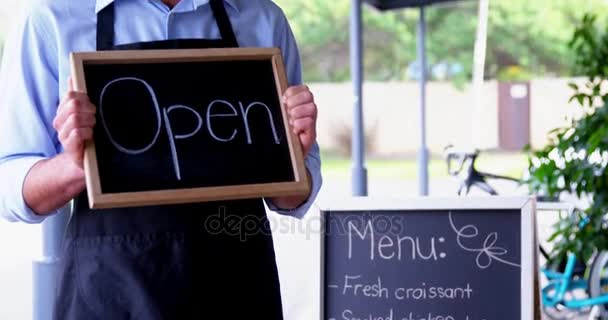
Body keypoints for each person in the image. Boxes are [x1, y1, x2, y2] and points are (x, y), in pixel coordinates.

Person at [0, 0, 322, 319]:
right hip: (111, 295)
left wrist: (294, 153)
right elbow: (11, 185)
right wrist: (75, 166)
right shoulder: (51, 18)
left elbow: (290, 196)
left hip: (237, 291)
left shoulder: (262, 19)